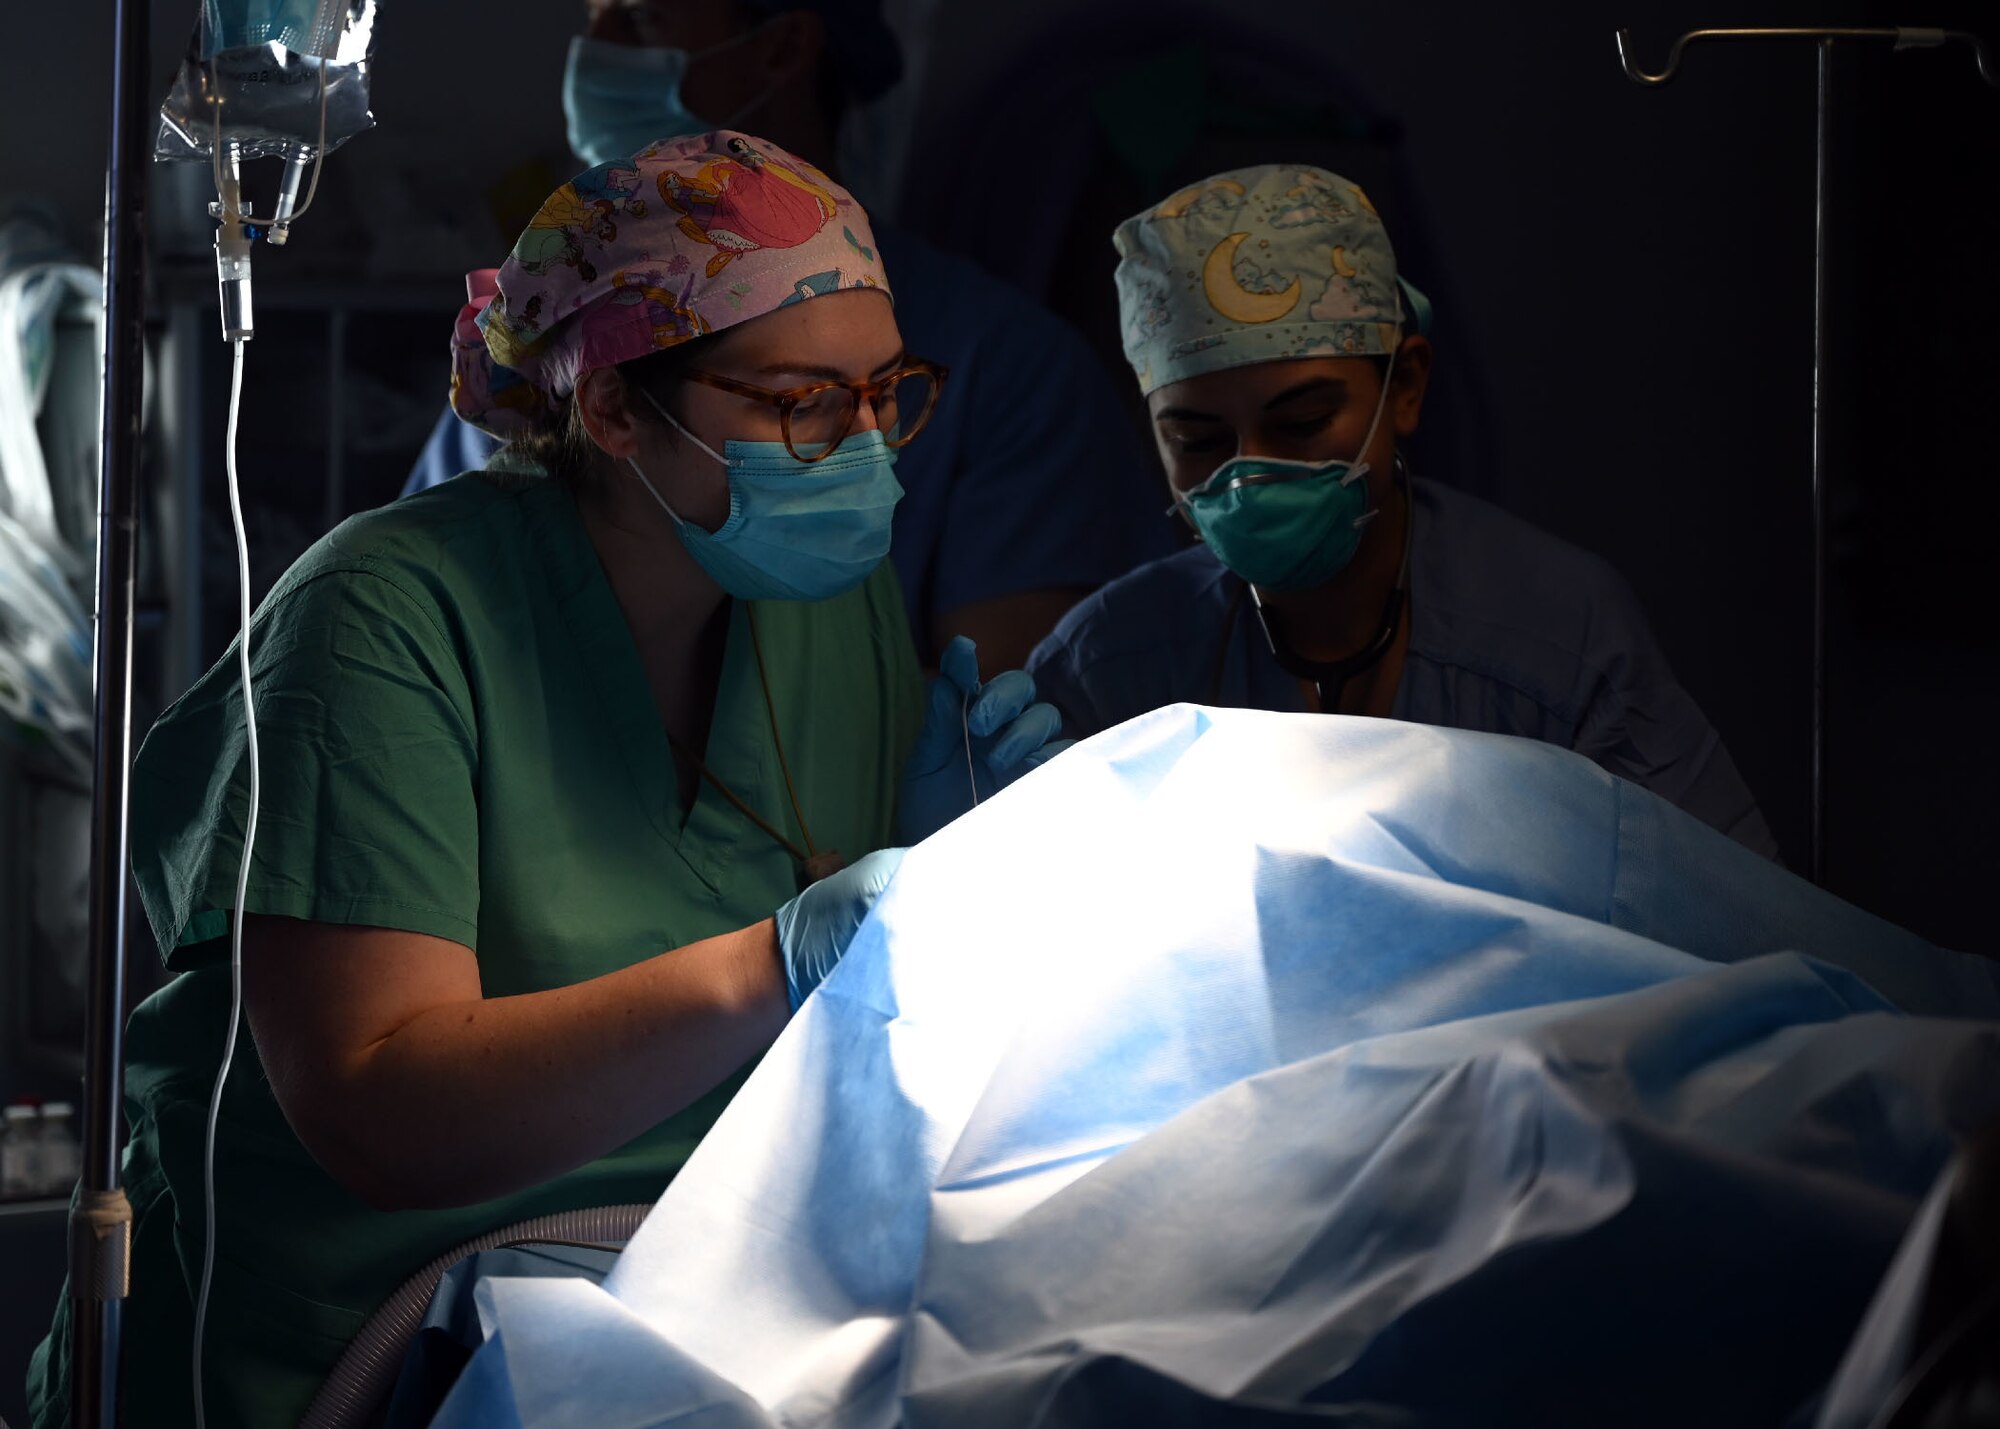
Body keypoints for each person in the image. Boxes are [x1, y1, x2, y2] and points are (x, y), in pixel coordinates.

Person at [28, 131, 1065, 1429]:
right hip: (350, 1350)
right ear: (616, 405)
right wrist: (777, 962)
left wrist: (948, 876)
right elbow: (384, 1112)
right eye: (800, 403)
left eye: (885, 394)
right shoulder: (385, 621)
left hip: (682, 1306)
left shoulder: (826, 603)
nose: (865, 450)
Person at [402, 0, 1175, 675]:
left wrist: (920, 780)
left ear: (781, 47)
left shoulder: (1006, 375)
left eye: (642, 17)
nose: (593, 52)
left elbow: (1009, 714)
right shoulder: (544, 361)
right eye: (806, 402)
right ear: (610, 410)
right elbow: (440, 598)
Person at [1027, 164, 1779, 858]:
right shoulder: (1111, 666)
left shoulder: (1558, 640)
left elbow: (1733, 925)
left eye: (1303, 423)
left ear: (1408, 387)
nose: (1249, 474)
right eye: (1197, 438)